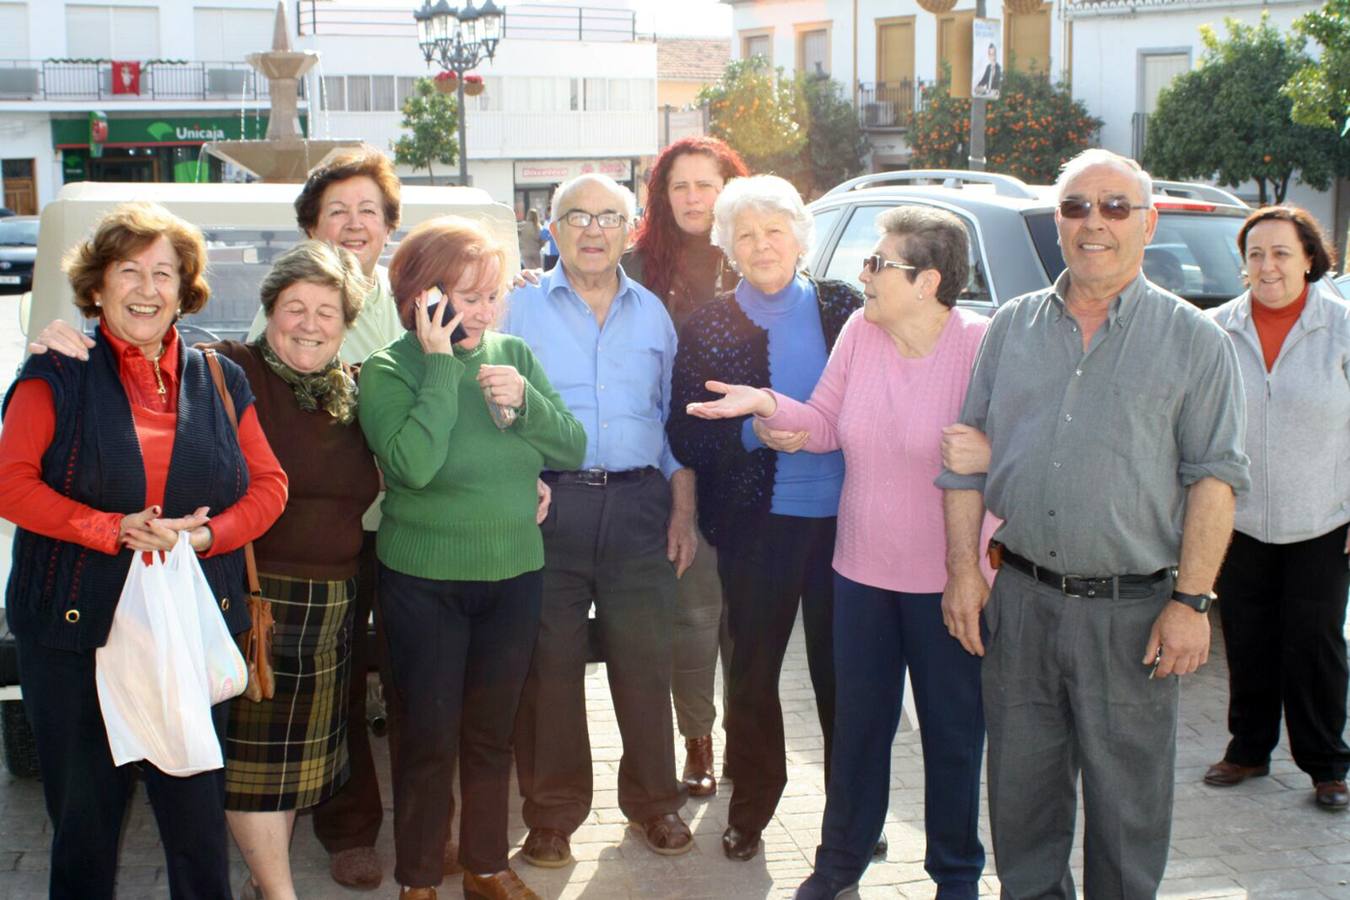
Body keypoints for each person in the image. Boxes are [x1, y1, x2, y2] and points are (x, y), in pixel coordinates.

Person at [937, 148, 1249, 897]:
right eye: (1076, 207)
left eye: (1114, 207)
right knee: (1023, 806)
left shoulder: (1194, 341)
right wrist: (961, 573)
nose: (1094, 223)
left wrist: (1192, 601)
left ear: (1148, 223)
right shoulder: (1010, 328)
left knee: (1128, 815)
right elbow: (963, 461)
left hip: (1135, 616)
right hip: (1022, 606)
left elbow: (1215, 481)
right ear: (1059, 223)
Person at [687, 205, 993, 896]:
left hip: (947, 581)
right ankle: (839, 864)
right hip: (859, 572)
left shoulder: (978, 344)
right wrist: (765, 403)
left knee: (951, 735)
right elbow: (822, 423)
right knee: (858, 732)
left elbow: (1014, 456)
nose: (864, 275)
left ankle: (956, 876)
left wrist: (971, 567)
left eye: (880, 264)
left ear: (927, 281)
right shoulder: (861, 329)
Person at [0, 201, 288, 899]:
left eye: (165, 272)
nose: (148, 288)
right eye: (129, 270)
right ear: (97, 286)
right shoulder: (57, 372)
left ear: (185, 290)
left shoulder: (218, 378)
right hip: (76, 633)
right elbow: (11, 485)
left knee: (194, 825)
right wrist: (110, 528)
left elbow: (271, 487)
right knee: (84, 822)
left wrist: (203, 535)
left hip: (186, 629)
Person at [359, 216, 585, 900]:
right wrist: (436, 366)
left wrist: (529, 409)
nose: (487, 311)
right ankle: (420, 879)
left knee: (492, 738)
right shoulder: (389, 370)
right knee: (427, 739)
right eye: (469, 296)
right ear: (424, 298)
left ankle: (487, 866)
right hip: (423, 584)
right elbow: (414, 468)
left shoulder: (512, 357)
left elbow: (572, 448)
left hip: (513, 576)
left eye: (494, 295)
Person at [504, 173, 698, 868]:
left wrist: (682, 506)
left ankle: (656, 805)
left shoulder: (654, 316)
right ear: (549, 228)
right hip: (548, 507)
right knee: (549, 671)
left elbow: (669, 422)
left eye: (608, 216)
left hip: (640, 508)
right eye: (576, 216)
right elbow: (488, 404)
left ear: (631, 226)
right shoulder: (517, 307)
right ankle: (552, 817)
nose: (592, 229)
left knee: (646, 664)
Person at [245, 144, 422, 891]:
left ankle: (424, 826)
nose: (354, 223)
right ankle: (350, 827)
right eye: (336, 211)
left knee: (416, 678)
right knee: (337, 682)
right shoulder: (297, 305)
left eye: (369, 212)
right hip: (333, 535)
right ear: (311, 227)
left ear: (390, 227)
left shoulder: (417, 297)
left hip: (412, 524)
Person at [667, 174, 857, 862]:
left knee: (846, 677)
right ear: (728, 248)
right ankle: (751, 806)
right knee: (750, 675)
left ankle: (851, 819)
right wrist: (751, 433)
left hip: (846, 526)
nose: (761, 244)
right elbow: (686, 433)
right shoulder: (709, 324)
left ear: (802, 238)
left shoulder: (846, 308)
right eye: (745, 234)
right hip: (758, 525)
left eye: (775, 230)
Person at [217, 242, 381, 900]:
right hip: (259, 601)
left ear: (346, 323)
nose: (310, 324)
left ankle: (265, 882)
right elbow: (152, 364)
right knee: (257, 767)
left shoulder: (354, 389)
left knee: (290, 770)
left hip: (332, 604)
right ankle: (279, 892)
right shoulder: (234, 370)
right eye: (294, 309)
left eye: (327, 312)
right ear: (268, 311)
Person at [1203, 206, 1350, 811]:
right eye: (1256, 254)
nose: (1268, 266)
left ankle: (1326, 764)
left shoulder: (1342, 327)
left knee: (1314, 641)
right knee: (1248, 636)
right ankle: (1248, 749)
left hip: (1323, 518)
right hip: (1237, 521)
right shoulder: (1215, 329)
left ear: (1310, 258)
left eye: (1282, 253)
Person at [625, 135, 748, 797]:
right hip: (677, 464)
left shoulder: (754, 253)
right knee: (696, 614)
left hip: (758, 470)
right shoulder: (638, 269)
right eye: (681, 186)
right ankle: (697, 741)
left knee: (750, 620)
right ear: (662, 195)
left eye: (707, 184)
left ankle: (747, 741)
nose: (695, 197)